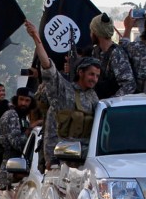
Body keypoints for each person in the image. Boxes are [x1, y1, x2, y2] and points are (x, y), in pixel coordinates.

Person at [24, 21, 100, 167]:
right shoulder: (64, 91)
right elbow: (47, 66)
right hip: (61, 163)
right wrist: (36, 38)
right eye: (91, 74)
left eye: (97, 76)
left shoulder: (93, 97)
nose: (94, 79)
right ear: (80, 72)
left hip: (86, 163)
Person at [0, 88, 34, 188]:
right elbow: (17, 143)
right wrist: (29, 131)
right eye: (21, 99)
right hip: (9, 174)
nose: (23, 103)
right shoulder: (12, 115)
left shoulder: (22, 117)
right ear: (16, 100)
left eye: (27, 101)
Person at [89, 13, 135, 99]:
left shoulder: (116, 54)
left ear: (97, 33)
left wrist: (111, 101)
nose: (90, 34)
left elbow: (129, 85)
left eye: (92, 31)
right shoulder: (96, 52)